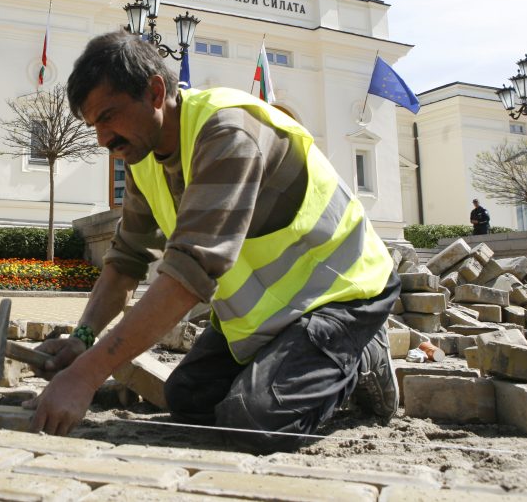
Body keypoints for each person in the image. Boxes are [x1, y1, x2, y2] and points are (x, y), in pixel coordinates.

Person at [27, 31, 400, 452]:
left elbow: (189, 275)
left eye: (109, 117)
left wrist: (84, 376)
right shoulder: (142, 155)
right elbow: (127, 260)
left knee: (251, 423)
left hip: (342, 293)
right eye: (94, 125)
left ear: (154, 92)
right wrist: (83, 340)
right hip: (273, 315)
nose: (102, 140)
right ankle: (297, 363)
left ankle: (364, 357)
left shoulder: (227, 134)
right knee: (188, 400)